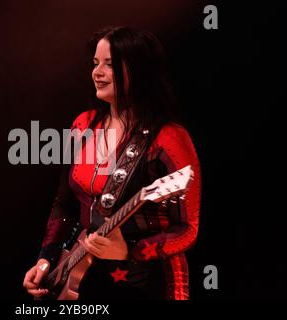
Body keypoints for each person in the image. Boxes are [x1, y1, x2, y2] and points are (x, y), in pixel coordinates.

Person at [23, 26, 201, 300]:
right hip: (86, 278)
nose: (97, 72)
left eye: (110, 64)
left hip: (148, 283)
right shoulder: (83, 125)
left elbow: (187, 229)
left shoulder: (170, 138)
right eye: (96, 63)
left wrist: (130, 251)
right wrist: (46, 259)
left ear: (140, 71)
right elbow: (65, 204)